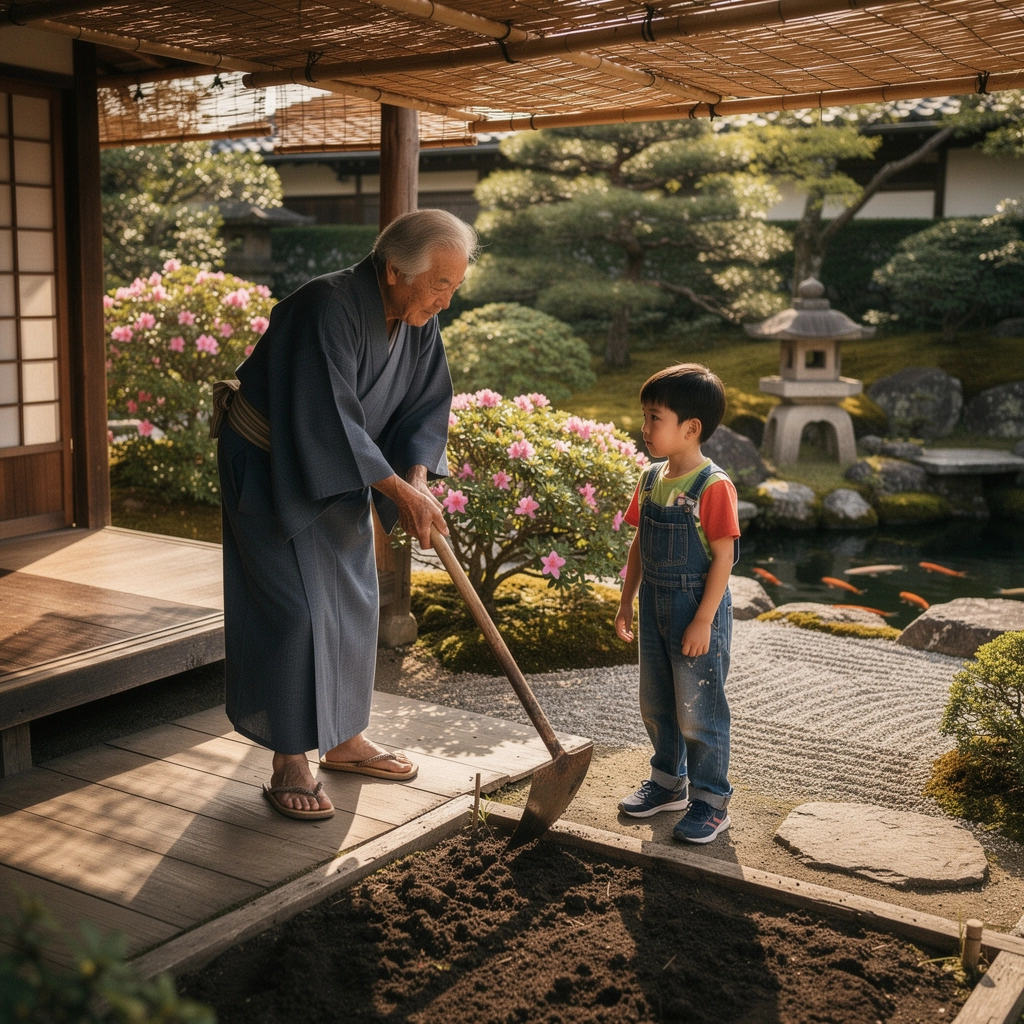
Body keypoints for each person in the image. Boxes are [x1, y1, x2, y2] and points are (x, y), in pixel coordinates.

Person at [212, 209, 478, 821]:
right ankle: (289, 759)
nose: (444, 301)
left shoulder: (415, 318)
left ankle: (345, 738)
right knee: (295, 611)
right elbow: (325, 416)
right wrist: (400, 493)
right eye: (438, 286)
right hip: (272, 465)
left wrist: (415, 482)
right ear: (393, 271)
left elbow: (424, 405)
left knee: (355, 599)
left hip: (342, 466)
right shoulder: (322, 307)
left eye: (453, 288)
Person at [613, 364, 741, 843]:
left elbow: (725, 557)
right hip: (654, 606)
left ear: (691, 428)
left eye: (654, 418)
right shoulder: (649, 479)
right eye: (644, 417)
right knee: (657, 702)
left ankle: (711, 800)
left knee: (699, 710)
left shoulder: (713, 486)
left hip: (695, 609)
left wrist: (704, 620)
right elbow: (639, 545)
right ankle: (669, 783)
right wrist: (626, 601)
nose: (644, 429)